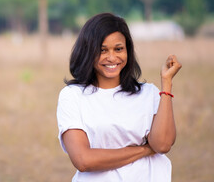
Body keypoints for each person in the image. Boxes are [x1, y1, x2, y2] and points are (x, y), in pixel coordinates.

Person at [56, 13, 182, 182]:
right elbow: (83, 160)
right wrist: (145, 150)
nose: (112, 57)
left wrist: (166, 83)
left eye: (118, 49)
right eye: (102, 50)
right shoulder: (73, 96)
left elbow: (162, 145)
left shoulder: (148, 93)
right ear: (87, 51)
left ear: (127, 50)